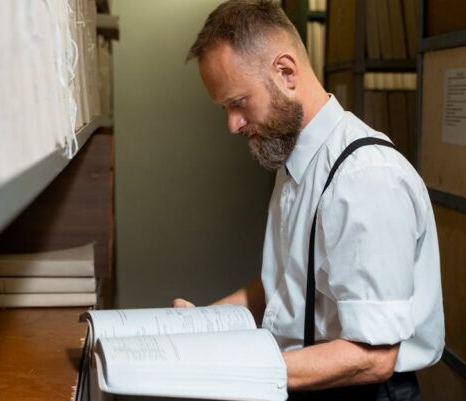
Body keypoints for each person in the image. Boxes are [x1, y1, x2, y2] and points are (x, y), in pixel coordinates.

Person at [174, 1, 444, 399]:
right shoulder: (293, 156)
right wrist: (201, 325)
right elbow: (284, 287)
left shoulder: (363, 178)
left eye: (238, 103)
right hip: (308, 378)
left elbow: (374, 356)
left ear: (285, 72)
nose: (232, 125)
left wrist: (230, 367)